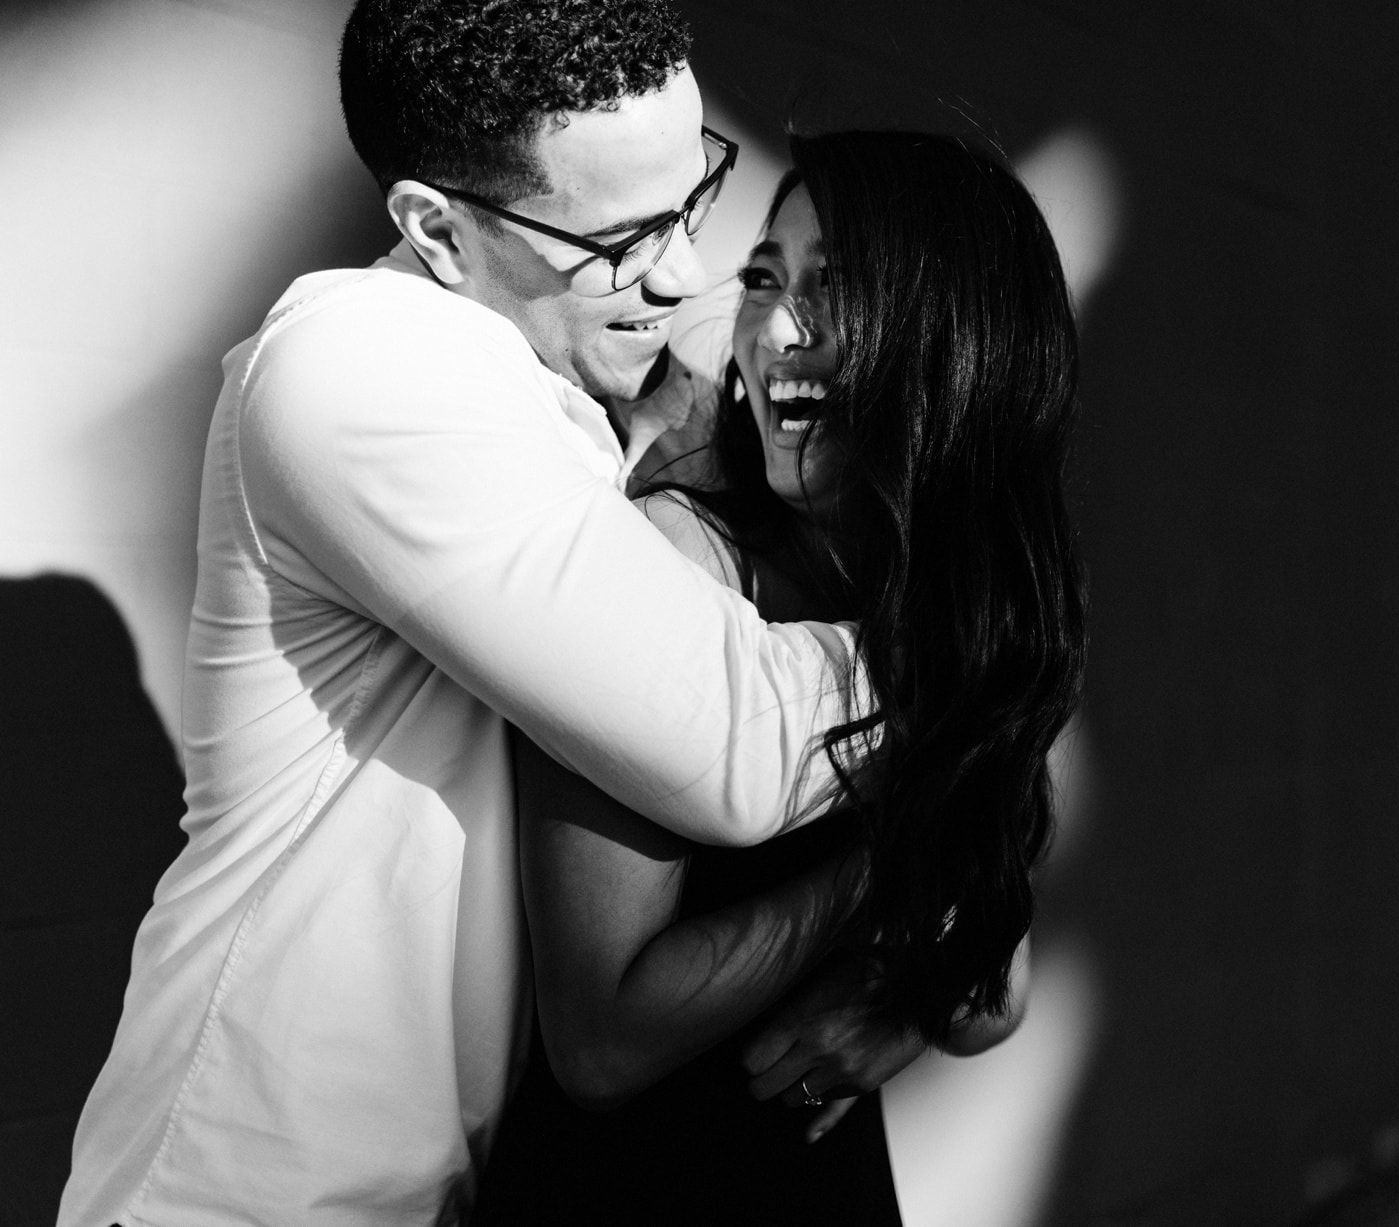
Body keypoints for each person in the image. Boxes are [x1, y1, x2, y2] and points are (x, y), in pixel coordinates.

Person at [57, 4, 873, 1224]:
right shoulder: (362, 370)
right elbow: (738, 748)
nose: (683, 274)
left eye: (695, 195)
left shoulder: (578, 388)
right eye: (623, 237)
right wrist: (998, 654)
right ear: (436, 232)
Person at [474, 130, 1087, 1223]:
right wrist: (897, 868)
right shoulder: (678, 563)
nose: (779, 331)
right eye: (765, 277)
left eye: (835, 289)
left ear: (956, 340)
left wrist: (896, 1010)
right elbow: (602, 1042)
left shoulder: (955, 598)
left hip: (817, 1167)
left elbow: (992, 989)